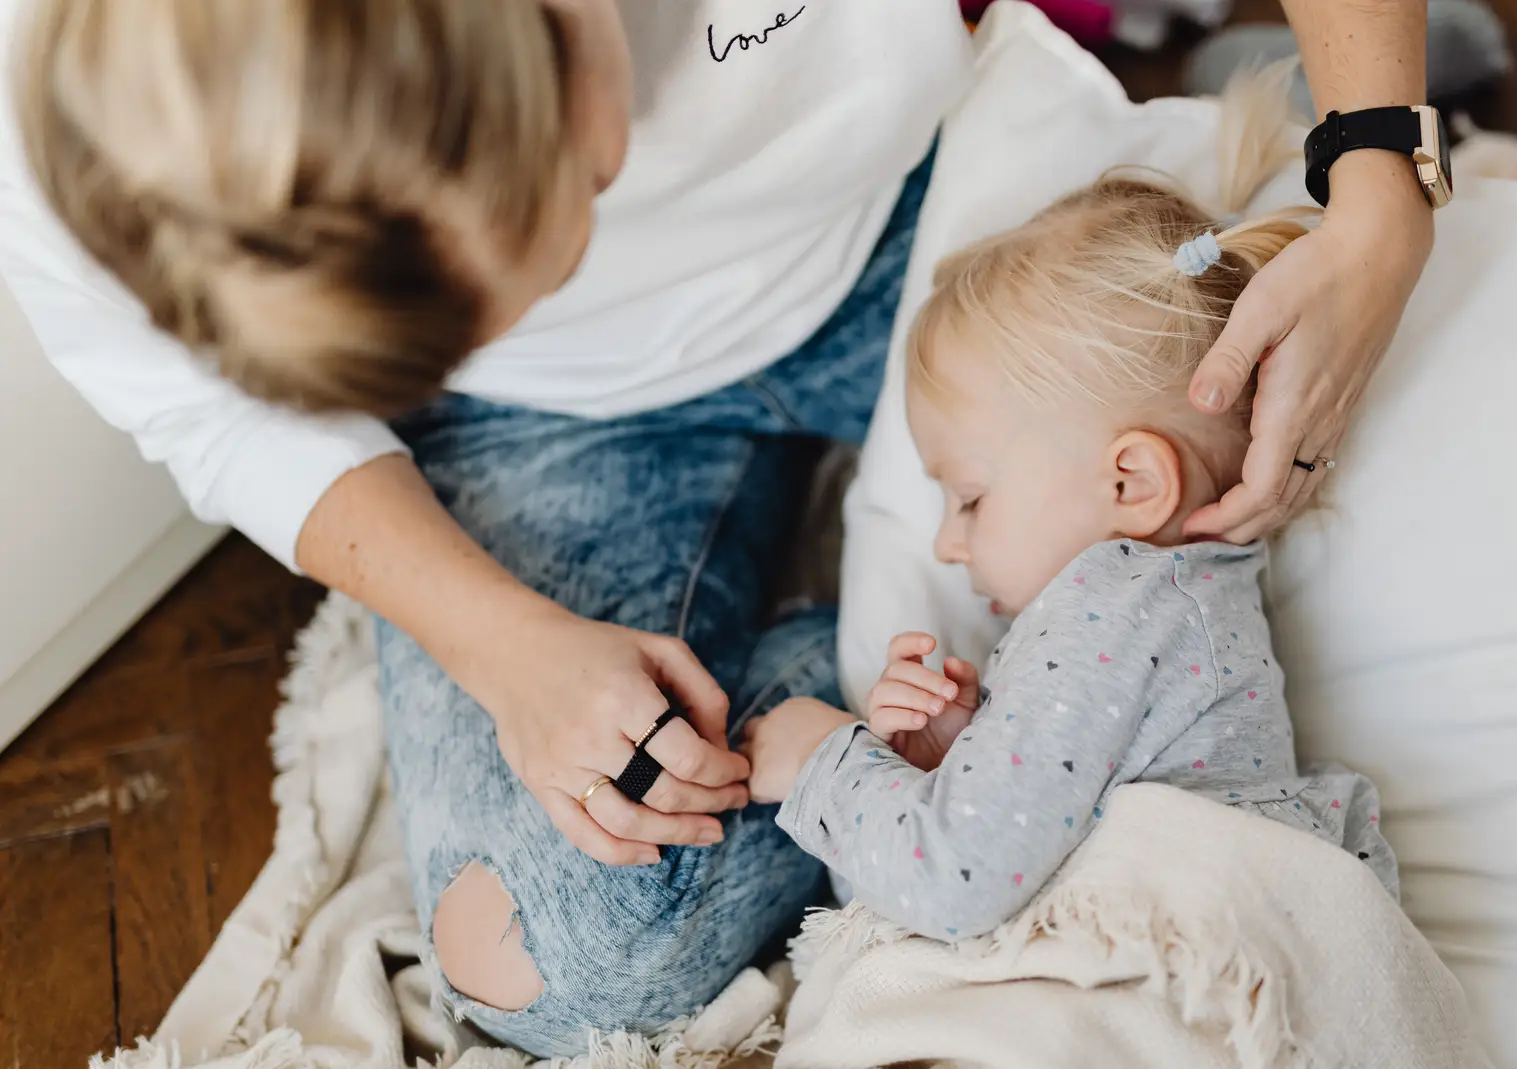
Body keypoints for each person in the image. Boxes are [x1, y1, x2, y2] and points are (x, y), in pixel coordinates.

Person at [2, 0, 1433, 1056]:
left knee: (1235, 362)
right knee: (541, 960)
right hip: (561, 429)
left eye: (577, 200)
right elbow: (210, 417)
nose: (580, 258)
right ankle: (827, 667)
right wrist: (505, 647)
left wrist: (1380, 173)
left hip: (911, 239)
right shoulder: (100, 116)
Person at [740, 70, 1397, 942]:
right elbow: (1045, 831)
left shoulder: (1109, 604)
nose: (944, 542)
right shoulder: (1166, 608)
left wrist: (823, 761)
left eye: (970, 496)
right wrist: (963, 756)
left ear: (1131, 484)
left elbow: (955, 880)